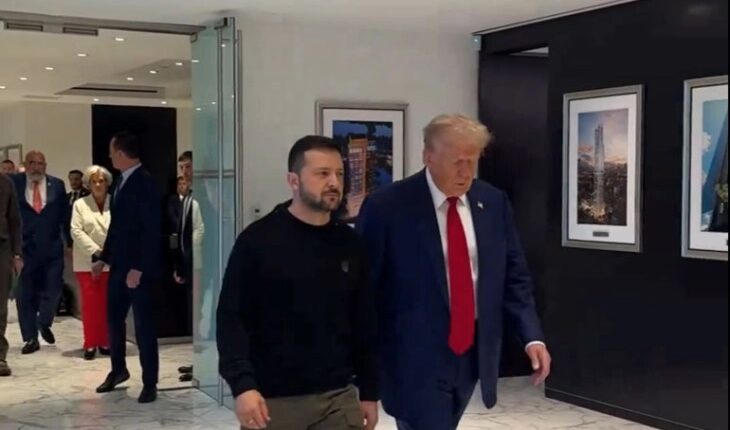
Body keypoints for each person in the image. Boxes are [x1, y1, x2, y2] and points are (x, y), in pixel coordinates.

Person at [356, 114, 551, 430]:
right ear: (428, 156)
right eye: (457, 162)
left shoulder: (492, 202)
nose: (465, 172)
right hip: (413, 358)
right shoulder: (387, 207)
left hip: (472, 351)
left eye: (472, 161)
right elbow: (364, 289)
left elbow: (514, 277)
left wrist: (532, 338)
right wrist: (364, 371)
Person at [217, 135, 378, 430]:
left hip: (338, 395)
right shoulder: (258, 241)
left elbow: (364, 321)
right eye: (322, 173)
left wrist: (369, 390)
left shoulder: (350, 244)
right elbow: (232, 318)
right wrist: (242, 386)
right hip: (274, 400)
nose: (334, 182)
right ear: (293, 180)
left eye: (339, 173)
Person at [92, 131, 161, 403]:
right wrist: (104, 257)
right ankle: (118, 369)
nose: (109, 157)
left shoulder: (145, 183)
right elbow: (117, 226)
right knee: (114, 319)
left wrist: (139, 267)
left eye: (112, 152)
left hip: (138, 270)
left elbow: (151, 229)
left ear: (121, 154)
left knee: (144, 326)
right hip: (119, 267)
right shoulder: (121, 181)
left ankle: (150, 382)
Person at [11, 150, 70, 355]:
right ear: (25, 164)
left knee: (53, 289)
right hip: (24, 248)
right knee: (25, 295)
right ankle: (30, 338)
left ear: (45, 165)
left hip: (52, 247)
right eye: (32, 163)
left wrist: (68, 243)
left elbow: (64, 216)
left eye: (40, 163)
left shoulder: (57, 185)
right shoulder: (14, 183)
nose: (36, 167)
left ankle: (44, 321)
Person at [70, 165, 113, 360]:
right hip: (86, 261)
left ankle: (105, 341)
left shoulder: (115, 201)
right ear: (88, 184)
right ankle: (90, 343)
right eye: (93, 181)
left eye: (101, 181)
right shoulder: (80, 204)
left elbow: (120, 228)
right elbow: (76, 230)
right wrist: (96, 251)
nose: (97, 185)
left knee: (107, 304)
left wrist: (107, 254)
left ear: (107, 183)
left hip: (110, 261)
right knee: (90, 304)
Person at [172, 151, 204, 383]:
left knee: (201, 313)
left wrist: (191, 261)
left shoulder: (203, 195)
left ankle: (203, 365)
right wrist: (181, 264)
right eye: (182, 167)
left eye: (189, 166)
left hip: (200, 263)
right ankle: (198, 362)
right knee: (195, 313)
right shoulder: (188, 196)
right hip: (189, 262)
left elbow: (200, 232)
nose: (185, 172)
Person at [0, 172, 23, 376]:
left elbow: (14, 220)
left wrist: (17, 253)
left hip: (2, 249)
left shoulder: (5, 183)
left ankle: (0, 356)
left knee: (0, 305)